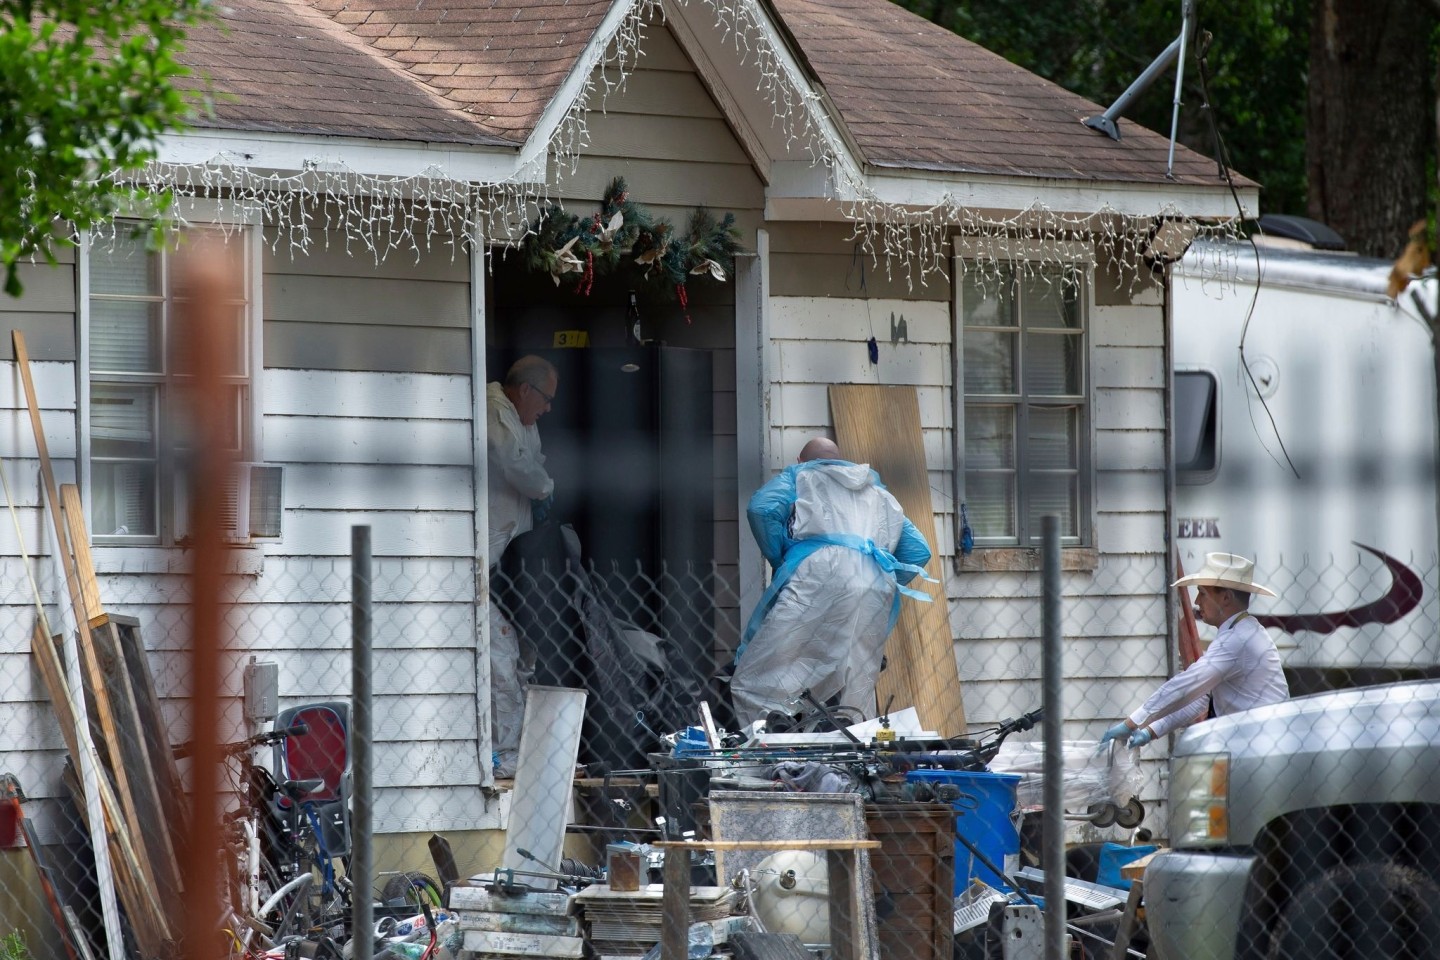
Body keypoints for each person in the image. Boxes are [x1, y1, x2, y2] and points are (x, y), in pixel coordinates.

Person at [730, 436, 934, 728]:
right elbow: (918, 551)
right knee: (856, 684)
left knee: (754, 679)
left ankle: (771, 751)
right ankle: (852, 757)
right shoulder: (878, 493)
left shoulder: (801, 476)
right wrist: (874, 580)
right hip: (875, 583)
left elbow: (762, 508)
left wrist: (784, 559)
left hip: (820, 576)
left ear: (802, 461)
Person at [1100, 552, 1289, 748]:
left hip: (1263, 745)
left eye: (1203, 593)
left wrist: (1131, 723)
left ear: (1226, 597)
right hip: (1263, 743)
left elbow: (1188, 685)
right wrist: (1149, 731)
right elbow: (1201, 698)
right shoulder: (1241, 631)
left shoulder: (1237, 639)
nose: (1197, 600)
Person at [486, 355, 558, 776]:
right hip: (491, 559)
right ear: (526, 390)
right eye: (546, 399)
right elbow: (514, 463)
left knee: (524, 655)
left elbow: (535, 461)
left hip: (517, 561)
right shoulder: (496, 411)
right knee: (501, 655)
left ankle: (522, 749)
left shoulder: (525, 419)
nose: (549, 409)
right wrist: (545, 488)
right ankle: (505, 756)